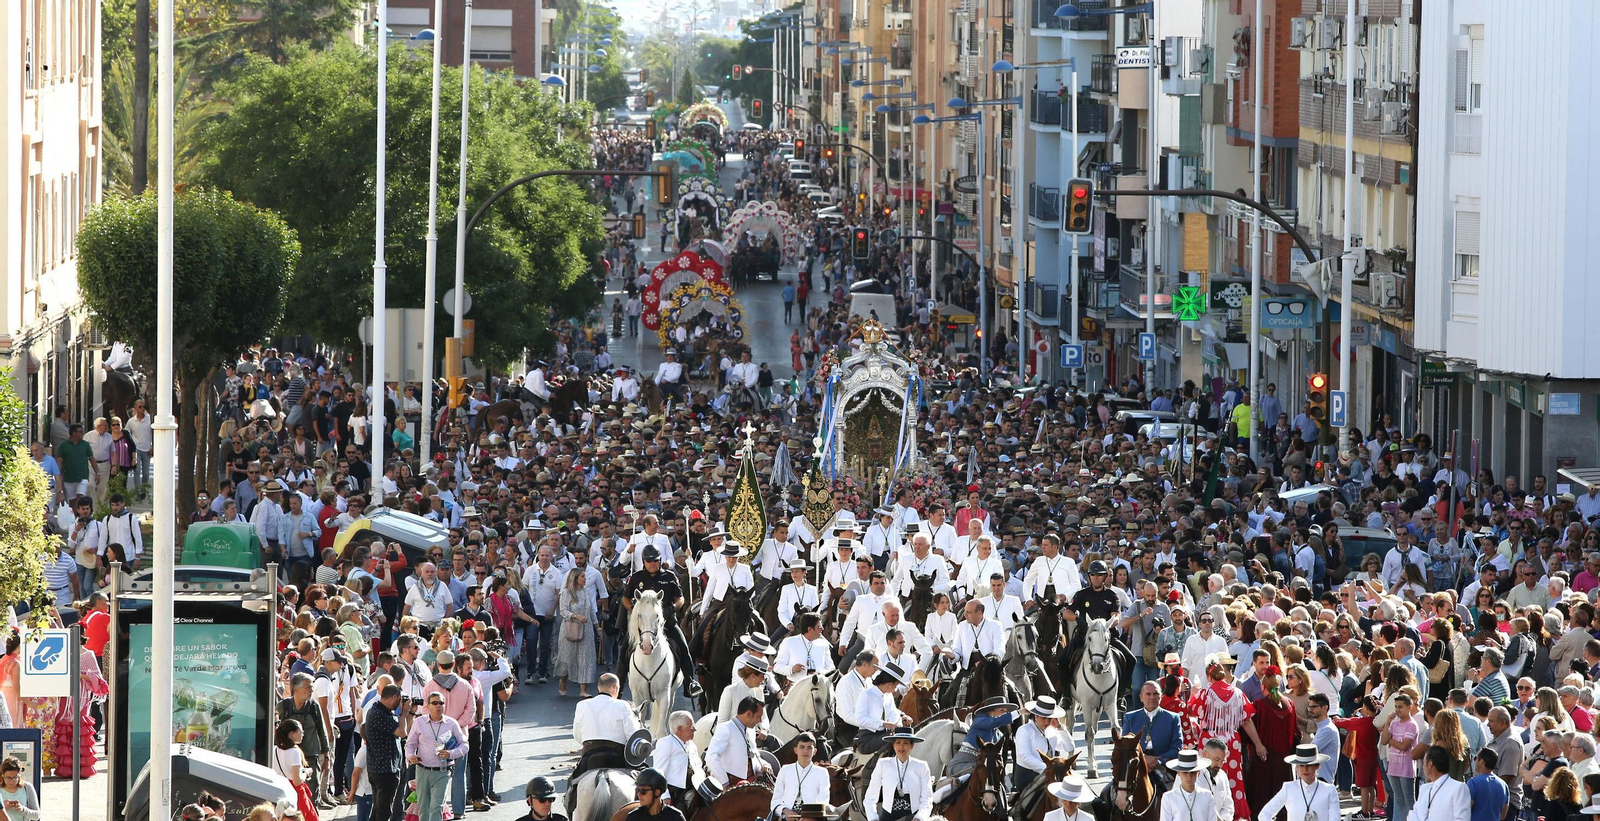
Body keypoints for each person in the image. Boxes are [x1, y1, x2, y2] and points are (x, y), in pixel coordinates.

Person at [405, 691, 468, 821]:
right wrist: (410, 756)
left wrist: (451, 753)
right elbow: (409, 744)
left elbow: (465, 745)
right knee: (423, 808)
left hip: (443, 771)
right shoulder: (419, 722)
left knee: (436, 807)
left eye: (441, 703)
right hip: (423, 770)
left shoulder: (451, 723)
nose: (438, 706)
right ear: (428, 706)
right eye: (435, 703)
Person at [570, 673, 640, 782]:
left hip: (589, 756)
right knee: (642, 784)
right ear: (615, 687)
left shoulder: (581, 705)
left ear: (599, 687)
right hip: (617, 757)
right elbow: (632, 735)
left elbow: (577, 735)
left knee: (572, 785)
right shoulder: (623, 705)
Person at [1253, 744, 1339, 821]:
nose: (1305, 769)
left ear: (1317, 766)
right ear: (1297, 767)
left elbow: (1335, 818)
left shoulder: (1329, 790)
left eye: (1309, 765)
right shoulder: (1288, 788)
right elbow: (1264, 815)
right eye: (1301, 765)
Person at [863, 727, 933, 821]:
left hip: (912, 818)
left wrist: (919, 817)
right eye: (898, 742)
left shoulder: (921, 766)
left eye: (906, 743)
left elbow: (927, 798)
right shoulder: (883, 764)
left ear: (912, 746)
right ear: (893, 745)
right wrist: (873, 818)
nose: (901, 746)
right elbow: (870, 798)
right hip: (887, 818)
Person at [706, 695, 769, 786]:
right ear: (749, 714)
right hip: (732, 782)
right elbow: (711, 757)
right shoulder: (725, 728)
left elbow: (754, 756)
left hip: (751, 780)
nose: (759, 721)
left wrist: (765, 766)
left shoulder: (751, 730)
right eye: (758, 717)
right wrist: (724, 783)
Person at [1015, 696, 1072, 793]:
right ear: (1036, 716)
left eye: (1050, 718)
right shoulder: (1024, 730)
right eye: (1043, 718)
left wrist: (1060, 727)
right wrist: (1046, 768)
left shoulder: (1052, 731)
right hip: (1028, 775)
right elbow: (1024, 756)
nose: (1047, 721)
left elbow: (1069, 747)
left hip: (1052, 773)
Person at [770, 731, 831, 816]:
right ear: (795, 750)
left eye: (809, 748)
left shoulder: (822, 773)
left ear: (815, 751)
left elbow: (824, 801)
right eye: (802, 747)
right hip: (787, 817)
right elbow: (775, 801)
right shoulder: (785, 770)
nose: (805, 751)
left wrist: (809, 816)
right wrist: (785, 811)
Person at [651, 711, 703, 809]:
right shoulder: (666, 743)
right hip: (675, 794)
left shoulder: (691, 745)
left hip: (694, 790)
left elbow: (698, 767)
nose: (695, 729)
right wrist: (665, 795)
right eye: (691, 726)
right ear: (680, 729)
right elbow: (659, 772)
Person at [1413, 746, 1472, 821]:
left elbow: (1462, 819)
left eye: (1424, 762)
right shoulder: (1424, 788)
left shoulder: (1459, 788)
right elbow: (1414, 814)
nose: (1423, 766)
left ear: (1430, 764)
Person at [1160, 750, 1216, 821]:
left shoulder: (1207, 796)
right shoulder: (1168, 797)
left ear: (1198, 773)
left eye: (1192, 773)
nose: (1189, 776)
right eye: (1185, 773)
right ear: (1178, 773)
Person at [1468, 748, 1510, 821]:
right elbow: (1503, 815)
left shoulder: (1473, 783)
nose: (1474, 761)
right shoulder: (1504, 785)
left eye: (1476, 758)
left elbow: (1466, 809)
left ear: (1482, 761)